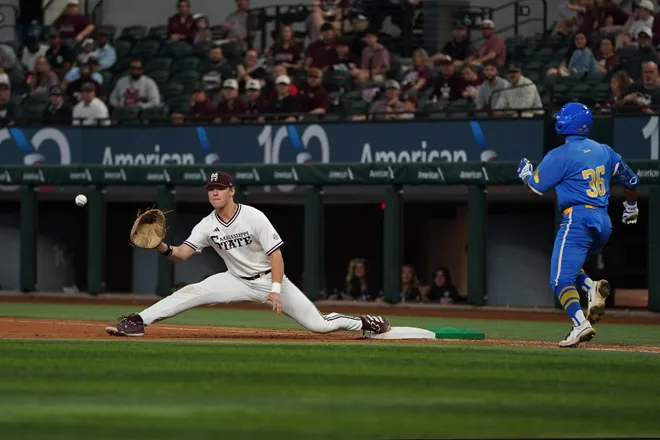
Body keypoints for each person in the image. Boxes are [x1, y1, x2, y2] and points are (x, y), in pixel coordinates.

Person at [105, 171, 391, 338]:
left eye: (219, 188)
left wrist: (276, 290)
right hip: (235, 279)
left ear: (232, 191)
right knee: (190, 291)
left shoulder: (254, 217)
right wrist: (158, 245)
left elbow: (276, 255)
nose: (214, 193)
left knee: (318, 325)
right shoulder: (207, 224)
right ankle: (138, 322)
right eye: (210, 189)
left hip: (270, 279)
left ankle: (364, 323)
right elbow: (181, 254)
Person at [516, 102, 639, 348]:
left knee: (559, 280)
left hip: (577, 219)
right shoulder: (603, 150)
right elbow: (631, 179)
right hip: (603, 223)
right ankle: (591, 286)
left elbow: (534, 189)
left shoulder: (560, 154)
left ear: (566, 123)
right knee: (570, 268)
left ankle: (580, 324)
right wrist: (632, 206)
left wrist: (525, 173)